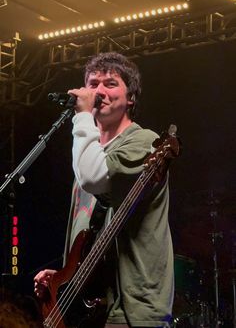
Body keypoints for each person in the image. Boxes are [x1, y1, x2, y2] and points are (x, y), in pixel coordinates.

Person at [34, 52, 174, 328]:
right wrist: (64, 278)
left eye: (110, 83)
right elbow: (86, 234)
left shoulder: (145, 142)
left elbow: (93, 178)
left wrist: (82, 116)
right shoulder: (89, 153)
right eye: (92, 83)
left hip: (133, 308)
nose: (99, 91)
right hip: (94, 307)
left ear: (130, 97)